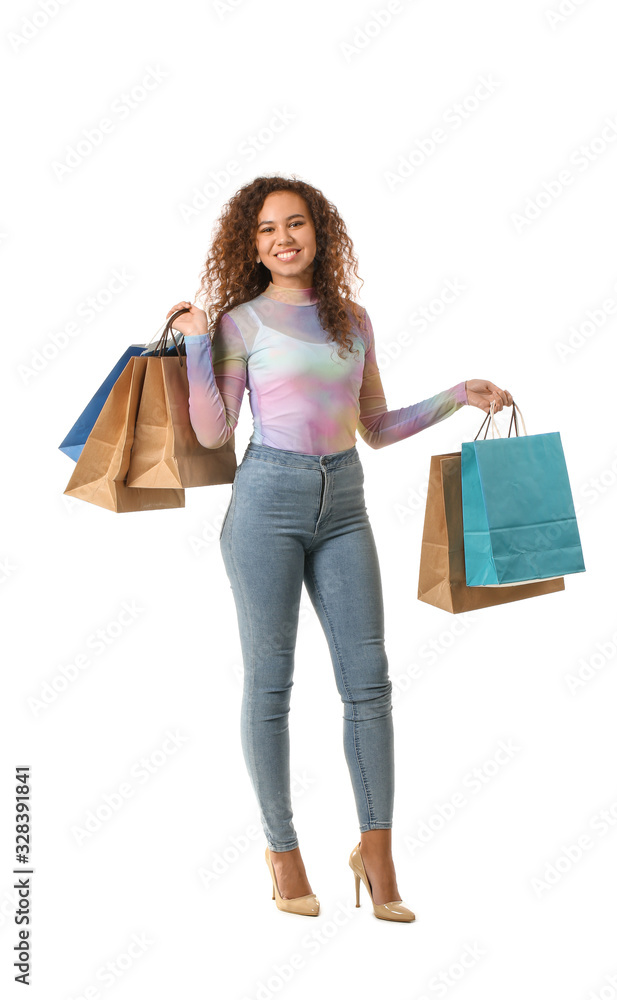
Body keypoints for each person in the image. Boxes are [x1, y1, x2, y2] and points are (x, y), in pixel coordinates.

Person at [167, 175, 513, 922]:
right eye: (264, 230)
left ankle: (376, 855)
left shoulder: (352, 319)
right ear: (249, 244)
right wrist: (197, 340)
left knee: (369, 684)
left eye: (295, 224)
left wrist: (458, 393)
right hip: (266, 501)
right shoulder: (239, 324)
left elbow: (376, 427)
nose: (282, 238)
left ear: (319, 233)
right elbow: (209, 433)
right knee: (270, 684)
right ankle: (282, 852)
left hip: (346, 503)